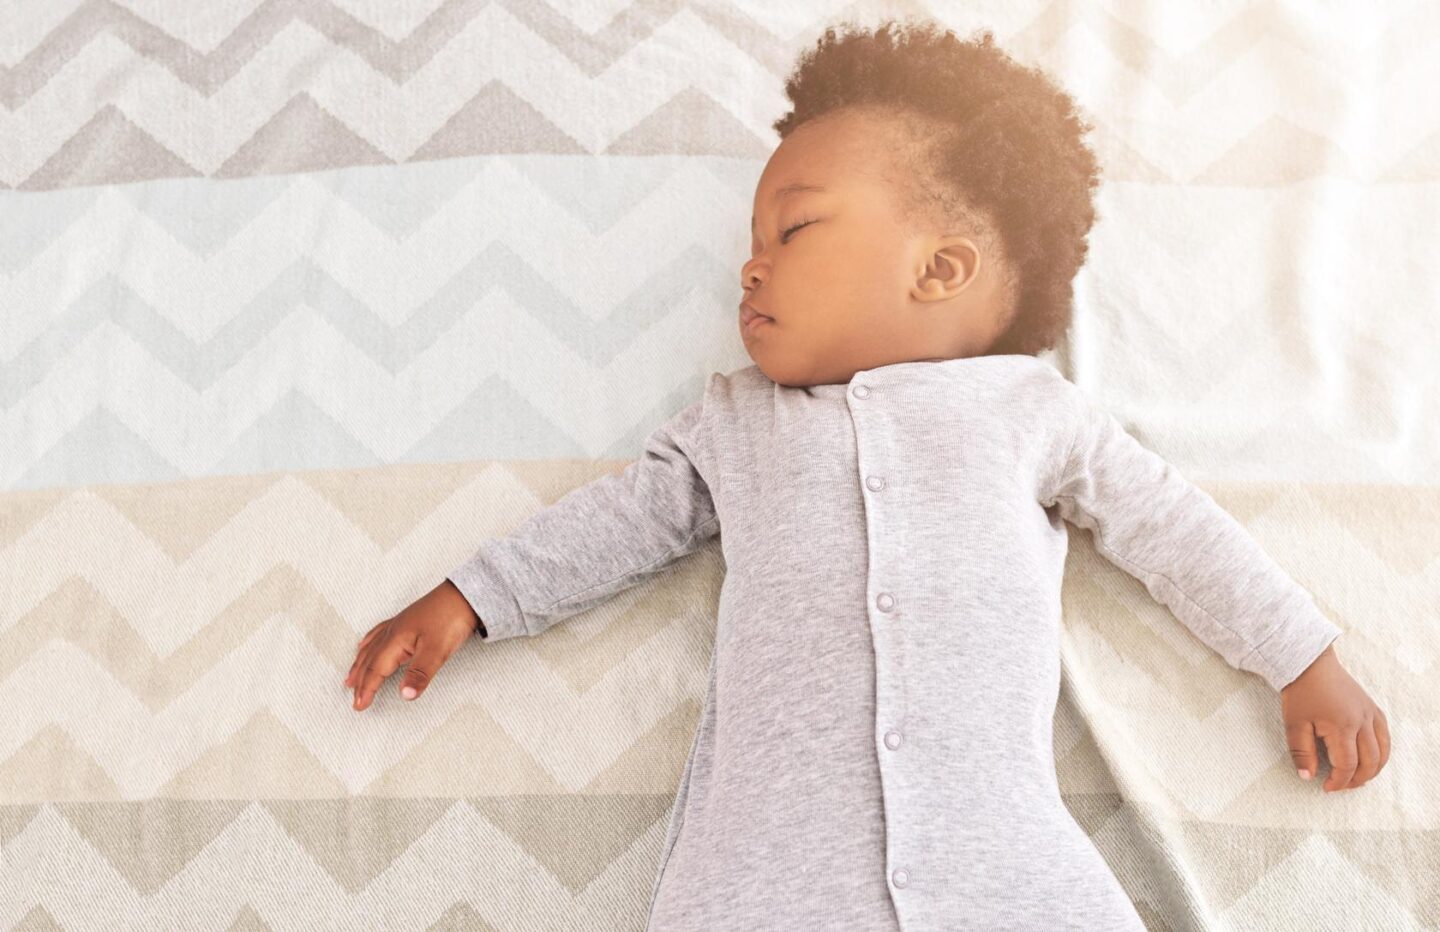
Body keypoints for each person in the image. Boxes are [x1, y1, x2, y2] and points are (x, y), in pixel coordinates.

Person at [343, 18, 1390, 930]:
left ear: (939, 270)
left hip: (998, 855)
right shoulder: (737, 425)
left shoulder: (1030, 412)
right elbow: (617, 521)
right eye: (753, 242)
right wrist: (473, 598)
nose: (750, 265)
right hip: (763, 868)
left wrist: (1298, 653)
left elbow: (1176, 529)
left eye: (793, 227)